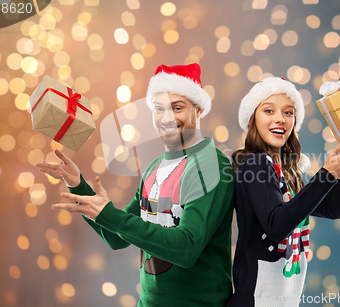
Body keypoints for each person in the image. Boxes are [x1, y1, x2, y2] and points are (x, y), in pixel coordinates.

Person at [36, 63, 235, 306]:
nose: (167, 117)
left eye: (178, 107)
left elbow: (186, 248)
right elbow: (117, 237)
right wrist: (79, 187)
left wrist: (110, 214)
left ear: (199, 109)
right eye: (159, 108)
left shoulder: (211, 164)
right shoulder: (154, 168)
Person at [227, 77, 340, 307]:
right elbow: (277, 225)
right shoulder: (255, 164)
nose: (280, 119)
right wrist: (327, 174)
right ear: (253, 117)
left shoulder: (285, 171)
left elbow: (333, 209)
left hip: (283, 299)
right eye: (269, 110)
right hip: (256, 299)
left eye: (288, 112)